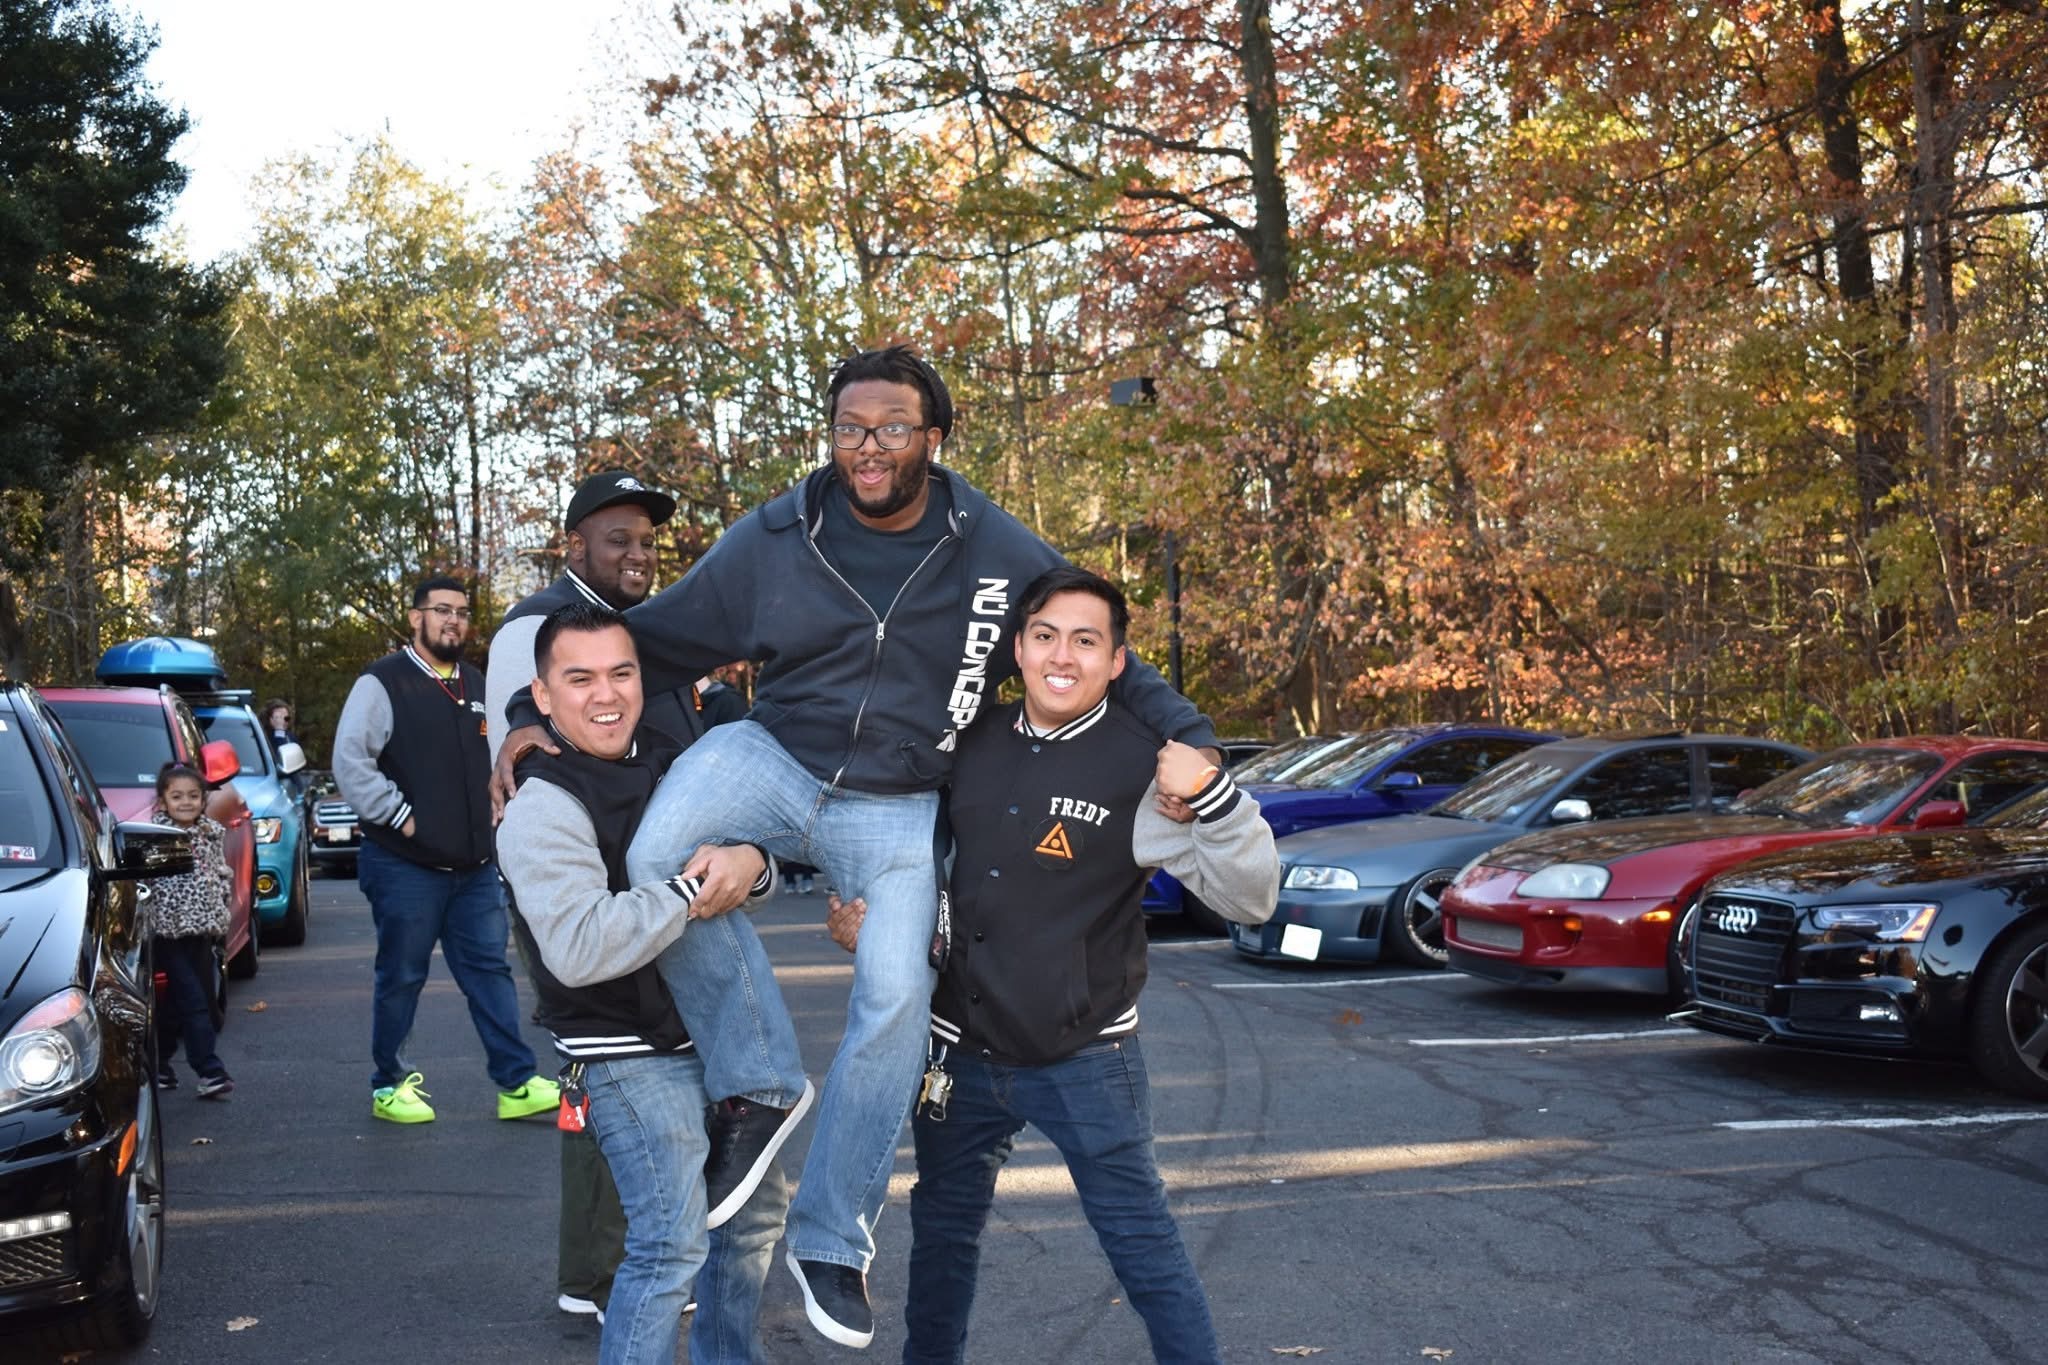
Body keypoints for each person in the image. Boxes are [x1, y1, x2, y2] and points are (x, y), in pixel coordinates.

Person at [494, 344, 1223, 1347]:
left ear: (933, 437)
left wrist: (1192, 737)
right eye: (848, 429)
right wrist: (522, 716)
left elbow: (1096, 644)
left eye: (889, 428)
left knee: (897, 992)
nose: (866, 448)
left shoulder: (993, 547)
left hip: (894, 797)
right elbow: (647, 641)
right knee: (661, 849)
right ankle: (757, 1088)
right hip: (773, 758)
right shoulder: (776, 535)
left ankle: (833, 1238)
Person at [830, 566, 1277, 1364]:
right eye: (1045, 636)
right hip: (958, 1055)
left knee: (1144, 1250)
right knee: (941, 1241)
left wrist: (1212, 792)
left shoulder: (1145, 768)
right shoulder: (968, 741)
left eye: (1085, 640)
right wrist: (873, 921)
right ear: (1019, 648)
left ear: (1117, 660)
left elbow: (1251, 898)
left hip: (1087, 1058)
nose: (1061, 656)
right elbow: (922, 865)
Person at [496, 602, 782, 1365]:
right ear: (543, 695)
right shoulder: (541, 803)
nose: (606, 693)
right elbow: (579, 945)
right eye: (580, 678)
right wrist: (692, 890)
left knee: (752, 1225)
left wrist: (751, 863)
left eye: (621, 673)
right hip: (624, 1052)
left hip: (716, 1038)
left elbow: (758, 864)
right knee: (668, 1245)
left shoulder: (674, 760)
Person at [333, 574, 559, 1125]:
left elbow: (502, 756)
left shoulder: (477, 683)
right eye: (441, 610)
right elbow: (350, 760)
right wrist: (400, 816)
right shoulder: (383, 682)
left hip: (474, 869)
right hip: (404, 864)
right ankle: (389, 1085)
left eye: (461, 611)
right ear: (416, 618)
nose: (453, 620)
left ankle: (516, 1083)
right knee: (402, 976)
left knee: (490, 973)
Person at [148, 761, 237, 1099]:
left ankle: (158, 1062)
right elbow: (146, 883)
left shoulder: (211, 833)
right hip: (168, 931)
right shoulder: (156, 837)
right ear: (163, 801)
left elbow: (219, 872)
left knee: (180, 1002)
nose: (185, 802)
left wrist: (221, 903)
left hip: (202, 930)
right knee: (195, 1000)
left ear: (203, 799)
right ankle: (209, 1070)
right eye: (177, 796)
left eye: (193, 796)